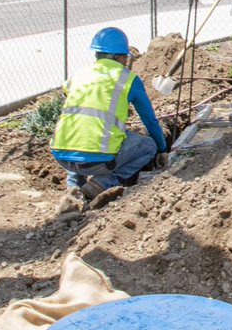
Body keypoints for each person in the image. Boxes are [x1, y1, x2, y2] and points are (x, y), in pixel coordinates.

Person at [51, 27, 169, 213]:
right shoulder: (128, 80)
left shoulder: (78, 75)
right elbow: (150, 120)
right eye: (125, 57)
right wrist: (162, 148)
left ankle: (73, 188)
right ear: (119, 57)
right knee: (147, 146)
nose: (126, 61)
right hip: (98, 161)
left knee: (79, 136)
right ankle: (101, 183)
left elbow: (70, 96)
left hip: (61, 155)